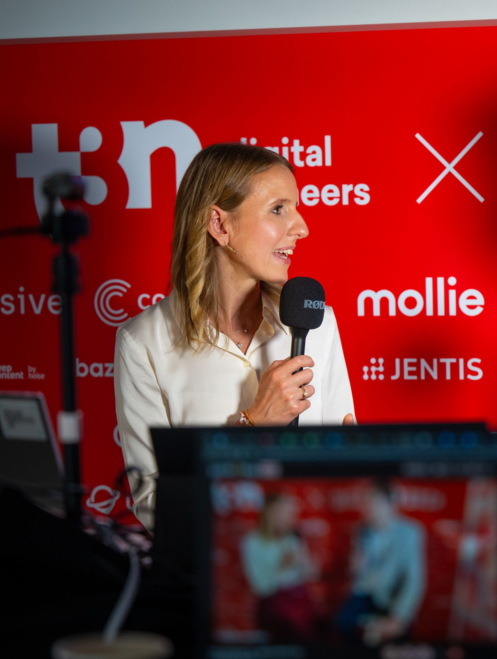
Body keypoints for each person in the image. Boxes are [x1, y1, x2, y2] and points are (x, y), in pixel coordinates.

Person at [114, 143, 356, 530]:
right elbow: (153, 508)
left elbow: (345, 480)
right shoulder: (143, 343)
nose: (302, 227)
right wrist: (253, 426)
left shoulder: (318, 324)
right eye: (279, 209)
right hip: (207, 578)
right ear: (220, 225)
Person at [336, 479, 425, 646]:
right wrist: (355, 567)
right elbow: (357, 571)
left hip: (390, 596)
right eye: (367, 504)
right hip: (364, 592)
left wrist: (399, 618)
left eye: (375, 504)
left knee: (398, 638)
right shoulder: (361, 529)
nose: (369, 510)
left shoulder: (410, 532)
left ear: (390, 505)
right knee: (342, 624)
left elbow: (414, 580)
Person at [241, 492, 321, 642]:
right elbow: (260, 586)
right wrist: (282, 566)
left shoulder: (293, 537)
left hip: (299, 599)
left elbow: (305, 574)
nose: (291, 518)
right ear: (271, 514)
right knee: (295, 627)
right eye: (286, 513)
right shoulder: (253, 542)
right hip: (273, 604)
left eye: (291, 513)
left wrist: (310, 569)